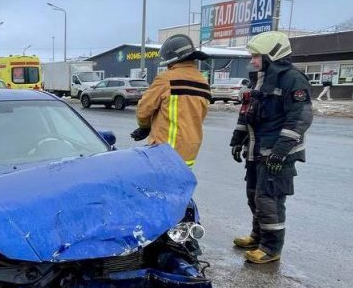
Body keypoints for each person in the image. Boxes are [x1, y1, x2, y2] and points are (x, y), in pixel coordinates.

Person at [230, 31, 313, 265]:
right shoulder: (259, 78)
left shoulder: (292, 79)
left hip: (277, 153)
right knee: (254, 197)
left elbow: (300, 118)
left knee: (270, 200)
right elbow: (247, 112)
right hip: (257, 150)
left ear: (272, 55)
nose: (252, 61)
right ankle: (258, 237)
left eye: (257, 56)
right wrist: (237, 139)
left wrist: (280, 151)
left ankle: (271, 248)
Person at [131, 34, 211, 168]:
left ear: (172, 59)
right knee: (180, 187)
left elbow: (143, 110)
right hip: (190, 152)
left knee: (159, 188)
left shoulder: (166, 79)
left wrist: (145, 126)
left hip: (165, 152)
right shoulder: (203, 82)